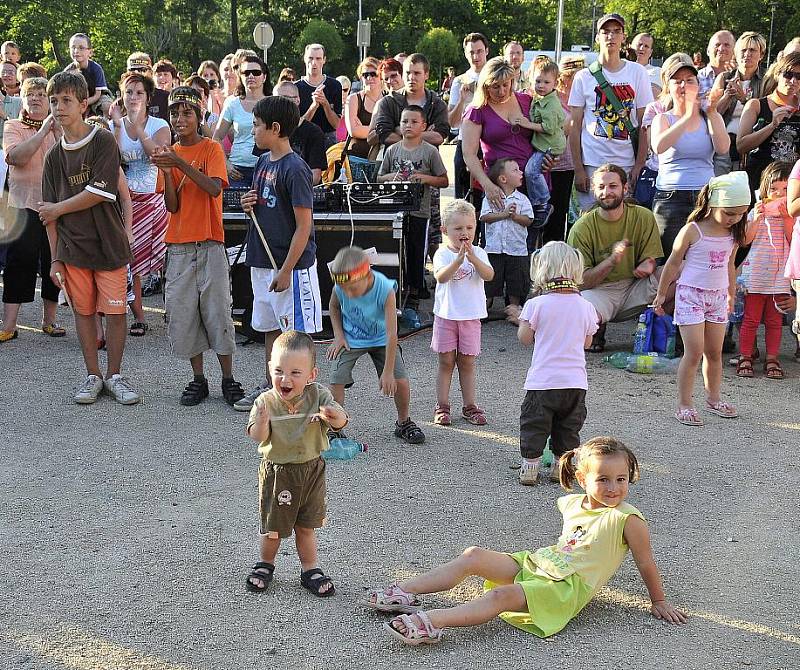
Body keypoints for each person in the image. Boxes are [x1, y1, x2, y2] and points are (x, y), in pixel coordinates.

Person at [365, 436, 687, 644]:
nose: (614, 487)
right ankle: (404, 592)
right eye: (603, 479)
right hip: (541, 562)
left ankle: (431, 622)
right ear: (581, 479)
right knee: (474, 554)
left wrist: (658, 601)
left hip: (564, 588)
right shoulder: (572, 502)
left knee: (501, 596)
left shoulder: (626, 519)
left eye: (621, 479)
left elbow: (646, 561)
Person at [40, 71, 140, 405]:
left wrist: (57, 209)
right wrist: (55, 258)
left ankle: (115, 375)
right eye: (54, 101)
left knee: (115, 312)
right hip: (72, 249)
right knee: (82, 312)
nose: (58, 107)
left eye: (66, 100)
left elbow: (100, 192)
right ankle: (92, 375)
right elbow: (47, 215)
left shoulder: (102, 141)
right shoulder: (53, 156)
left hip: (108, 243)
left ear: (84, 104)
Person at [148, 86, 245, 406]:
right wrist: (169, 170)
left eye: (187, 112)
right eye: (174, 113)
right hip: (178, 245)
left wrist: (180, 162)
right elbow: (172, 206)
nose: (179, 118)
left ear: (199, 116)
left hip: (210, 243)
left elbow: (213, 189)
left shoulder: (212, 149)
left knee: (218, 312)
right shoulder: (169, 152)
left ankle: (228, 378)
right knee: (185, 313)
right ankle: (198, 378)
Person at [234, 96, 322, 412]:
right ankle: (273, 385)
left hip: (290, 267)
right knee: (271, 327)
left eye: (256, 125)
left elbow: (303, 226)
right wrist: (248, 203)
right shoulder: (262, 163)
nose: (252, 130)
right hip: (261, 260)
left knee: (295, 333)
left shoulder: (296, 168)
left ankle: (302, 392)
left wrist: (286, 270)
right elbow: (263, 205)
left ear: (275, 128)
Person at [245, 330, 347, 596]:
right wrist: (262, 423)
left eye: (295, 373)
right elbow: (257, 436)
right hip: (278, 472)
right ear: (270, 369)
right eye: (278, 371)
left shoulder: (318, 395)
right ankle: (265, 563)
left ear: (312, 375)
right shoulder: (265, 401)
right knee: (273, 527)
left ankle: (310, 568)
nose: (285, 379)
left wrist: (333, 416)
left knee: (307, 524)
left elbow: (342, 421)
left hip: (312, 469)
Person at [653, 172, 749, 426]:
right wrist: (662, 293)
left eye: (740, 213)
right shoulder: (692, 230)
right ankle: (684, 403)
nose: (735, 218)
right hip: (691, 295)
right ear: (712, 204)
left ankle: (713, 398)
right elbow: (673, 263)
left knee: (714, 352)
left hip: (717, 297)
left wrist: (731, 293)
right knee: (693, 352)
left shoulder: (733, 234)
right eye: (730, 213)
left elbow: (730, 264)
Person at [506, 242, 598, 485]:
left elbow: (525, 339)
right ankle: (562, 466)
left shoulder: (536, 305)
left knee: (534, 423)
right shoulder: (586, 306)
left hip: (543, 381)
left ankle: (530, 467)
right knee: (568, 427)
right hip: (575, 382)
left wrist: (521, 320)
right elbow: (588, 342)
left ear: (542, 271)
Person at [326, 246, 426, 444]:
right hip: (352, 338)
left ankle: (404, 422)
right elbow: (334, 306)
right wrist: (338, 335)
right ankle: (335, 428)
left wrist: (388, 372)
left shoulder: (384, 289)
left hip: (382, 339)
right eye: (344, 289)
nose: (348, 293)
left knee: (401, 381)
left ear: (367, 275)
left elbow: (391, 334)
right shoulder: (342, 285)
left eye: (353, 289)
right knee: (336, 379)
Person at [566, 164, 664, 352]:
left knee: (681, 272)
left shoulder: (644, 216)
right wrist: (612, 260)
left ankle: (657, 331)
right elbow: (581, 283)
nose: (607, 192)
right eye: (601, 187)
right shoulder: (581, 228)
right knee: (577, 307)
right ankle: (596, 329)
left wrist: (649, 264)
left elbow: (651, 258)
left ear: (625, 188)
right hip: (599, 291)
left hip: (634, 286)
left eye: (613, 186)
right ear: (593, 190)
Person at [568, 14, 653, 213]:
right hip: (592, 162)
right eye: (605, 32)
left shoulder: (637, 72)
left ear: (624, 37)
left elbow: (645, 122)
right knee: (589, 221)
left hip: (627, 162)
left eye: (616, 32)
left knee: (626, 220)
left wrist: (640, 163)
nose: (611, 37)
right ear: (598, 37)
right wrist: (578, 168)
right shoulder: (583, 77)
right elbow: (575, 126)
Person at [108, 71, 171, 337]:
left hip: (154, 198)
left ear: (148, 97)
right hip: (125, 200)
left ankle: (173, 311)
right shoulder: (113, 125)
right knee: (130, 258)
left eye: (139, 92)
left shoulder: (159, 125)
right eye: (129, 92)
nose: (133, 97)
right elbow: (108, 161)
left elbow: (158, 156)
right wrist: (118, 126)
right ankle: (139, 316)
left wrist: (138, 129)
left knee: (163, 258)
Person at [1, 77, 62, 343]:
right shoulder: (12, 125)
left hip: (54, 207)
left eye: (41, 94)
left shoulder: (60, 127)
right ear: (22, 99)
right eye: (30, 94)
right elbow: (17, 157)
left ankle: (49, 321)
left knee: (54, 263)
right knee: (18, 264)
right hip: (23, 205)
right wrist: (43, 131)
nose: (36, 98)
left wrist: (57, 130)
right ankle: (9, 324)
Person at [651, 58, 729, 255]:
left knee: (702, 256)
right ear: (668, 87)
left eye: (689, 80)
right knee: (670, 257)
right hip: (671, 197)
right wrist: (686, 116)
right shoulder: (663, 118)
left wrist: (711, 112)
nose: (684, 85)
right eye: (677, 81)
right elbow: (659, 146)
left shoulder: (710, 116)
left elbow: (723, 148)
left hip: (704, 196)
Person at [431, 200, 494, 426]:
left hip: (470, 317)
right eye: (458, 228)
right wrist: (458, 261)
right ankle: (442, 405)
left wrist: (472, 258)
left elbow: (488, 275)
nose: (464, 233)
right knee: (446, 361)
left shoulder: (479, 252)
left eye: (469, 228)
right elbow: (440, 277)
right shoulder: (442, 254)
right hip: (447, 316)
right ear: (445, 230)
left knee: (467, 362)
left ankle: (470, 405)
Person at [378, 105, 449, 304]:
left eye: (414, 122)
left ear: (423, 126)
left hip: (420, 210)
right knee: (397, 249)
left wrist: (424, 178)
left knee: (417, 250)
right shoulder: (392, 150)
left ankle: (416, 290)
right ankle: (398, 286)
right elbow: (379, 177)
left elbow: (443, 180)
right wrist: (394, 176)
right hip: (395, 210)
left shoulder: (429, 152)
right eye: (404, 121)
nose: (408, 125)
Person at [735, 162, 793, 379]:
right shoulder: (755, 212)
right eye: (774, 189)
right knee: (750, 319)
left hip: (779, 277)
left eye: (785, 190)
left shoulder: (793, 217)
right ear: (764, 190)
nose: (779, 194)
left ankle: (772, 358)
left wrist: (787, 217)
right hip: (757, 273)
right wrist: (757, 219)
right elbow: (745, 241)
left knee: (774, 320)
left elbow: (790, 239)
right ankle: (745, 356)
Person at [462, 57, 533, 214]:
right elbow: (469, 154)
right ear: (485, 86)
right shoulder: (477, 110)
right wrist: (488, 185)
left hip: (530, 179)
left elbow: (545, 134)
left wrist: (547, 157)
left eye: (505, 85)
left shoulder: (526, 100)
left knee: (530, 235)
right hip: (498, 184)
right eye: (495, 87)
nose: (501, 91)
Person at [736, 52, 800, 193]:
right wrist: (772, 125)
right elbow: (741, 146)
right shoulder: (756, 105)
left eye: (799, 76)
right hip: (760, 181)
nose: (793, 81)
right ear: (778, 74)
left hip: (791, 184)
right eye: (788, 74)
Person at [711, 32, 767, 175]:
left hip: (753, 146)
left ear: (761, 55)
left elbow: (767, 113)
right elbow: (711, 113)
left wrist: (744, 100)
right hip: (724, 144)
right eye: (743, 50)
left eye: (752, 50)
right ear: (736, 53)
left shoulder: (767, 80)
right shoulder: (724, 77)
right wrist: (727, 96)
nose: (747, 54)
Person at [480, 158, 533, 309]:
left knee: (516, 280)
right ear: (503, 179)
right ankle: (484, 304)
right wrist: (503, 214)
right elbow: (484, 217)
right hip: (494, 248)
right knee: (490, 279)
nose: (521, 172)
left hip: (516, 249)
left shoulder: (522, 199)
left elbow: (529, 220)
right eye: (515, 170)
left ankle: (514, 307)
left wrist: (516, 217)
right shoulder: (490, 198)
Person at [368, 53, 450, 149]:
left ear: (426, 75)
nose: (411, 77)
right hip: (395, 160)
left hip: (426, 161)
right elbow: (384, 135)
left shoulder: (437, 104)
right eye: (408, 73)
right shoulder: (388, 102)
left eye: (417, 73)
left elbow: (439, 136)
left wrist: (401, 131)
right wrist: (424, 134)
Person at [519, 59, 566, 227]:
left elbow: (550, 127)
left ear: (555, 83)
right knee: (532, 171)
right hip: (542, 143)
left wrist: (526, 124)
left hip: (549, 145)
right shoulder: (538, 98)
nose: (541, 85)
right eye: (538, 81)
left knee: (531, 171)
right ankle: (537, 201)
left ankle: (543, 202)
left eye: (546, 82)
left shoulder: (551, 104)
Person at [213, 54, 268, 187]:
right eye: (245, 72)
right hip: (237, 170)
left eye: (256, 72)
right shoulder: (232, 103)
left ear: (264, 76)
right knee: (235, 208)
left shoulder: (272, 102)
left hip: (266, 169)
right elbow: (217, 137)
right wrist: (227, 165)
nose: (251, 76)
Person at [548, 56, 585, 242]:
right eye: (575, 76)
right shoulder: (551, 99)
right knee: (555, 218)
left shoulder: (585, 98)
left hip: (580, 164)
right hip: (556, 167)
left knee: (576, 218)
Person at [449, 33, 490, 199]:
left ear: (487, 51)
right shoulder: (459, 81)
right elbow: (452, 122)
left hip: (490, 142)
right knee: (463, 196)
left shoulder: (497, 77)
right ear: (465, 54)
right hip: (465, 141)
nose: (476, 56)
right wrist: (461, 100)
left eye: (479, 51)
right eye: (471, 52)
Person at [268, 81, 326, 186]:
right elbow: (261, 171)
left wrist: (286, 185)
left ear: (297, 100)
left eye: (285, 99)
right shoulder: (268, 129)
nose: (280, 104)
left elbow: (315, 177)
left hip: (301, 195)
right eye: (276, 100)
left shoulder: (314, 132)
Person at [296, 43, 342, 147]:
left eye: (318, 58)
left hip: (329, 140)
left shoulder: (334, 85)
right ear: (304, 58)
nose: (314, 63)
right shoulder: (296, 88)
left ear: (324, 60)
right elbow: (297, 126)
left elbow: (337, 125)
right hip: (304, 140)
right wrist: (313, 107)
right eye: (310, 58)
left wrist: (325, 104)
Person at [343, 57, 382, 159]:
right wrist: (382, 131)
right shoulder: (353, 99)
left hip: (382, 157)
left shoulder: (388, 99)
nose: (369, 78)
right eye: (365, 75)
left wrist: (364, 129)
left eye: (374, 74)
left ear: (381, 76)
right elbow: (354, 131)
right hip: (356, 158)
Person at [64, 33, 110, 115]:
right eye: (73, 47)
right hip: (77, 99)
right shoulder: (68, 71)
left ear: (90, 52)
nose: (76, 51)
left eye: (81, 48)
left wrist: (84, 104)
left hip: (96, 97)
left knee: (106, 106)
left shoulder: (96, 69)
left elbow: (97, 94)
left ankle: (107, 125)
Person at [125, 52, 170, 122]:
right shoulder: (120, 103)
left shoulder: (165, 98)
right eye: (132, 70)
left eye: (142, 70)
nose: (137, 73)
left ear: (151, 73)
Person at [697, 31, 735, 102]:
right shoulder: (696, 78)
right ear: (708, 51)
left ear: (735, 51)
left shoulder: (741, 78)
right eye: (717, 45)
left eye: (727, 45)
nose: (721, 48)